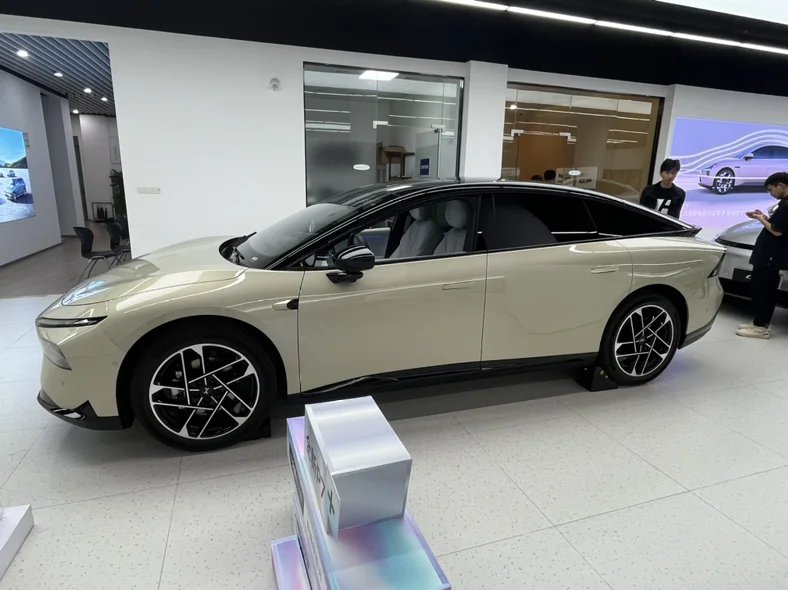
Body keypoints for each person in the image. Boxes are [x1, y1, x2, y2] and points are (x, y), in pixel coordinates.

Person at [736, 172, 788, 339]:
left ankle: (761, 327)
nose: (771, 193)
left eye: (772, 190)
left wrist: (760, 218)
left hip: (771, 256)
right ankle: (758, 322)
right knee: (760, 288)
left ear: (781, 185)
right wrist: (764, 216)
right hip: (768, 255)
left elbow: (777, 231)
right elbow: (777, 224)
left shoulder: (787, 205)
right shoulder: (784, 203)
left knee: (764, 290)